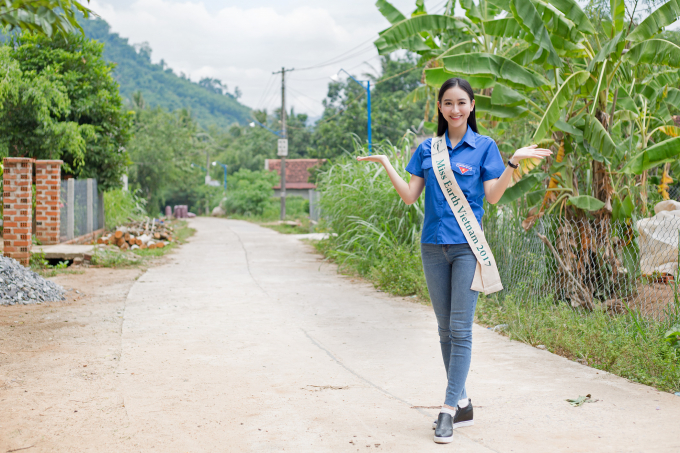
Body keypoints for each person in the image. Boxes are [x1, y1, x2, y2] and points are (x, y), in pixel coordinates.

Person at [357, 77, 551, 444]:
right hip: (432, 247)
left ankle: (447, 410)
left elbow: (493, 197)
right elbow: (410, 197)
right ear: (441, 108)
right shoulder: (427, 149)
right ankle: (462, 401)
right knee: (445, 330)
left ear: (472, 106)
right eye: (448, 103)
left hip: (467, 248)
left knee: (460, 329)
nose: (455, 109)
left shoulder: (485, 147)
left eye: (462, 102)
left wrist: (512, 163)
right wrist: (386, 162)